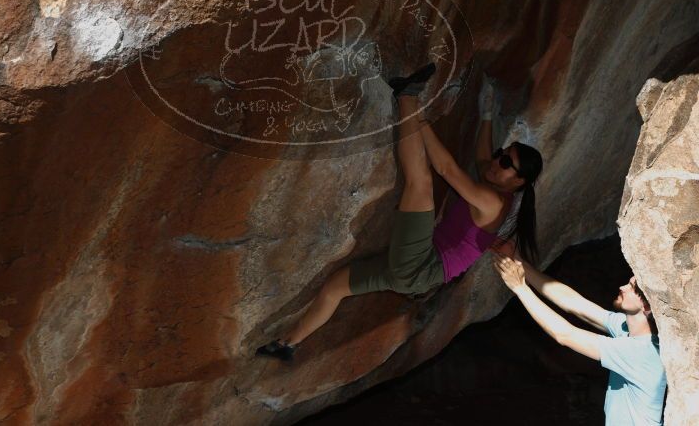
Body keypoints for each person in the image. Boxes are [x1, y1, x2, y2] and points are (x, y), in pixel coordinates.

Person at [256, 62, 544, 361]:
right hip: (414, 273)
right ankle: (288, 344)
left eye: (507, 165)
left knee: (421, 184)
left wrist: (416, 114)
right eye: (502, 156)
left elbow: (446, 169)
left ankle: (405, 95)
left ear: (519, 182)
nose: (498, 163)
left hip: (423, 264)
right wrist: (487, 115)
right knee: (336, 287)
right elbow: (484, 157)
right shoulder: (497, 186)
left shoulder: (493, 200)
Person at [492, 249, 667, 425]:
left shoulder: (642, 353)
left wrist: (520, 288)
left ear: (647, 307)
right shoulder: (626, 328)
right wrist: (518, 261)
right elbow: (574, 303)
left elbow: (565, 334)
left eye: (632, 288)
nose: (623, 287)